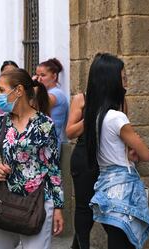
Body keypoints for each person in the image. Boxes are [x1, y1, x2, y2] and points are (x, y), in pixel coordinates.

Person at [0, 68, 64, 249]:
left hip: (37, 204)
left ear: (18, 91)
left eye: (2, 90)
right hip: (3, 202)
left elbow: (53, 169)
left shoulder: (45, 124)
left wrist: (57, 207)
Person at [84, 53, 149, 249]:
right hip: (123, 191)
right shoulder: (116, 118)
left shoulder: (96, 115)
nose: (126, 84)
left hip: (106, 187)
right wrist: (134, 151)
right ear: (112, 82)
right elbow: (146, 154)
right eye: (123, 78)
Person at [66, 91, 99, 249]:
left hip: (107, 159)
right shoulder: (82, 98)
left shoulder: (119, 99)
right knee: (84, 208)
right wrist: (90, 117)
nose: (124, 82)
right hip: (84, 158)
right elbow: (70, 132)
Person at [34, 58, 69, 152]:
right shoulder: (46, 93)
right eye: (37, 75)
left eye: (43, 75)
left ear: (54, 76)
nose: (39, 79)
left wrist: (32, 87)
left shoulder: (56, 94)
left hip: (49, 144)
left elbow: (35, 107)